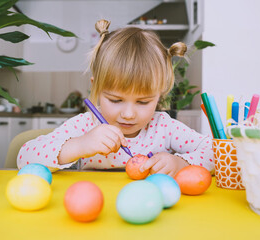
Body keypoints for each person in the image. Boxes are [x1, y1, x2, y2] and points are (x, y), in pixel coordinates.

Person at [17, 19, 214, 176]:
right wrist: (80, 145)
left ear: (159, 94)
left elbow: (216, 152)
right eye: (116, 100)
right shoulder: (87, 125)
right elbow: (25, 157)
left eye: (143, 102)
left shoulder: (163, 126)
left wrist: (178, 163)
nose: (128, 114)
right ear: (97, 87)